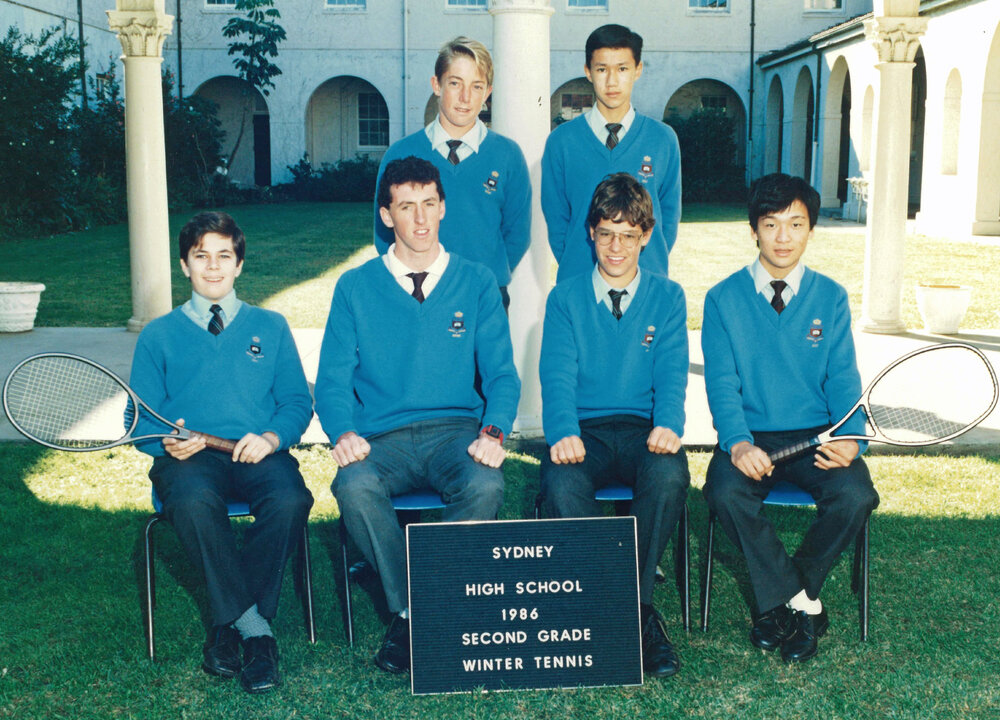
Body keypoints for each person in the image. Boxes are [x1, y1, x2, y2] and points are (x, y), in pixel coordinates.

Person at [315, 155, 521, 675]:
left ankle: (416, 612)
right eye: (407, 207)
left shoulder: (475, 283)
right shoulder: (355, 287)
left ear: (443, 206)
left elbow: (502, 375)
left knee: (486, 486)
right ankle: (413, 610)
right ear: (387, 216)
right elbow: (334, 379)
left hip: (456, 433)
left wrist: (493, 431)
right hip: (381, 437)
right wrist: (342, 431)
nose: (421, 219)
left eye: (430, 204)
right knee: (354, 488)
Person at [128, 211, 314, 693]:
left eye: (224, 256)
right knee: (191, 502)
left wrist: (271, 437)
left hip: (256, 451)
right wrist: (165, 442)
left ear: (239, 265)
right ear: (185, 266)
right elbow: (139, 425)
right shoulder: (157, 335)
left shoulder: (270, 326)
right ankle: (256, 631)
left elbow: (296, 401)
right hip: (188, 460)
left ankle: (224, 626)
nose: (213, 267)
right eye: (201, 257)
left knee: (291, 499)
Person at [701, 173, 879, 663]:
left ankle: (783, 601)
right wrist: (737, 443)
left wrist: (852, 440)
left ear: (811, 231)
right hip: (752, 436)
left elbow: (843, 379)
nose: (783, 237)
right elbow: (723, 383)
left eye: (795, 224)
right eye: (771, 224)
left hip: (817, 434)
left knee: (856, 495)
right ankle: (801, 604)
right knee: (723, 492)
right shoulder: (722, 299)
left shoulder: (831, 297)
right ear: (753, 229)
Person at [538, 173, 689, 679]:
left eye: (628, 234)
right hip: (587, 430)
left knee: (669, 477)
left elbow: (671, 372)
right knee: (560, 484)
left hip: (645, 427)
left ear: (646, 235)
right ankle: (602, 600)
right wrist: (562, 430)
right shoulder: (565, 298)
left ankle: (636, 608)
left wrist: (668, 424)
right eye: (606, 233)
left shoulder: (668, 298)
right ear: (591, 234)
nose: (616, 246)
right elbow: (556, 374)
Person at [374, 36, 531, 310]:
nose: (465, 97)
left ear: (488, 92)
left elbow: (517, 233)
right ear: (437, 84)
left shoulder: (507, 155)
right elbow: (384, 233)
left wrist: (489, 275)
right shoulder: (400, 154)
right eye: (455, 83)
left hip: (485, 297)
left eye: (476, 86)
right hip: (418, 295)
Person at [542, 23, 682, 283]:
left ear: (638, 70)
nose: (612, 81)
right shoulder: (561, 142)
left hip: (646, 283)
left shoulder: (663, 139)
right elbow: (557, 221)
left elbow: (668, 221)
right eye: (602, 69)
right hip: (580, 283)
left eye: (622, 69)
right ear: (588, 72)